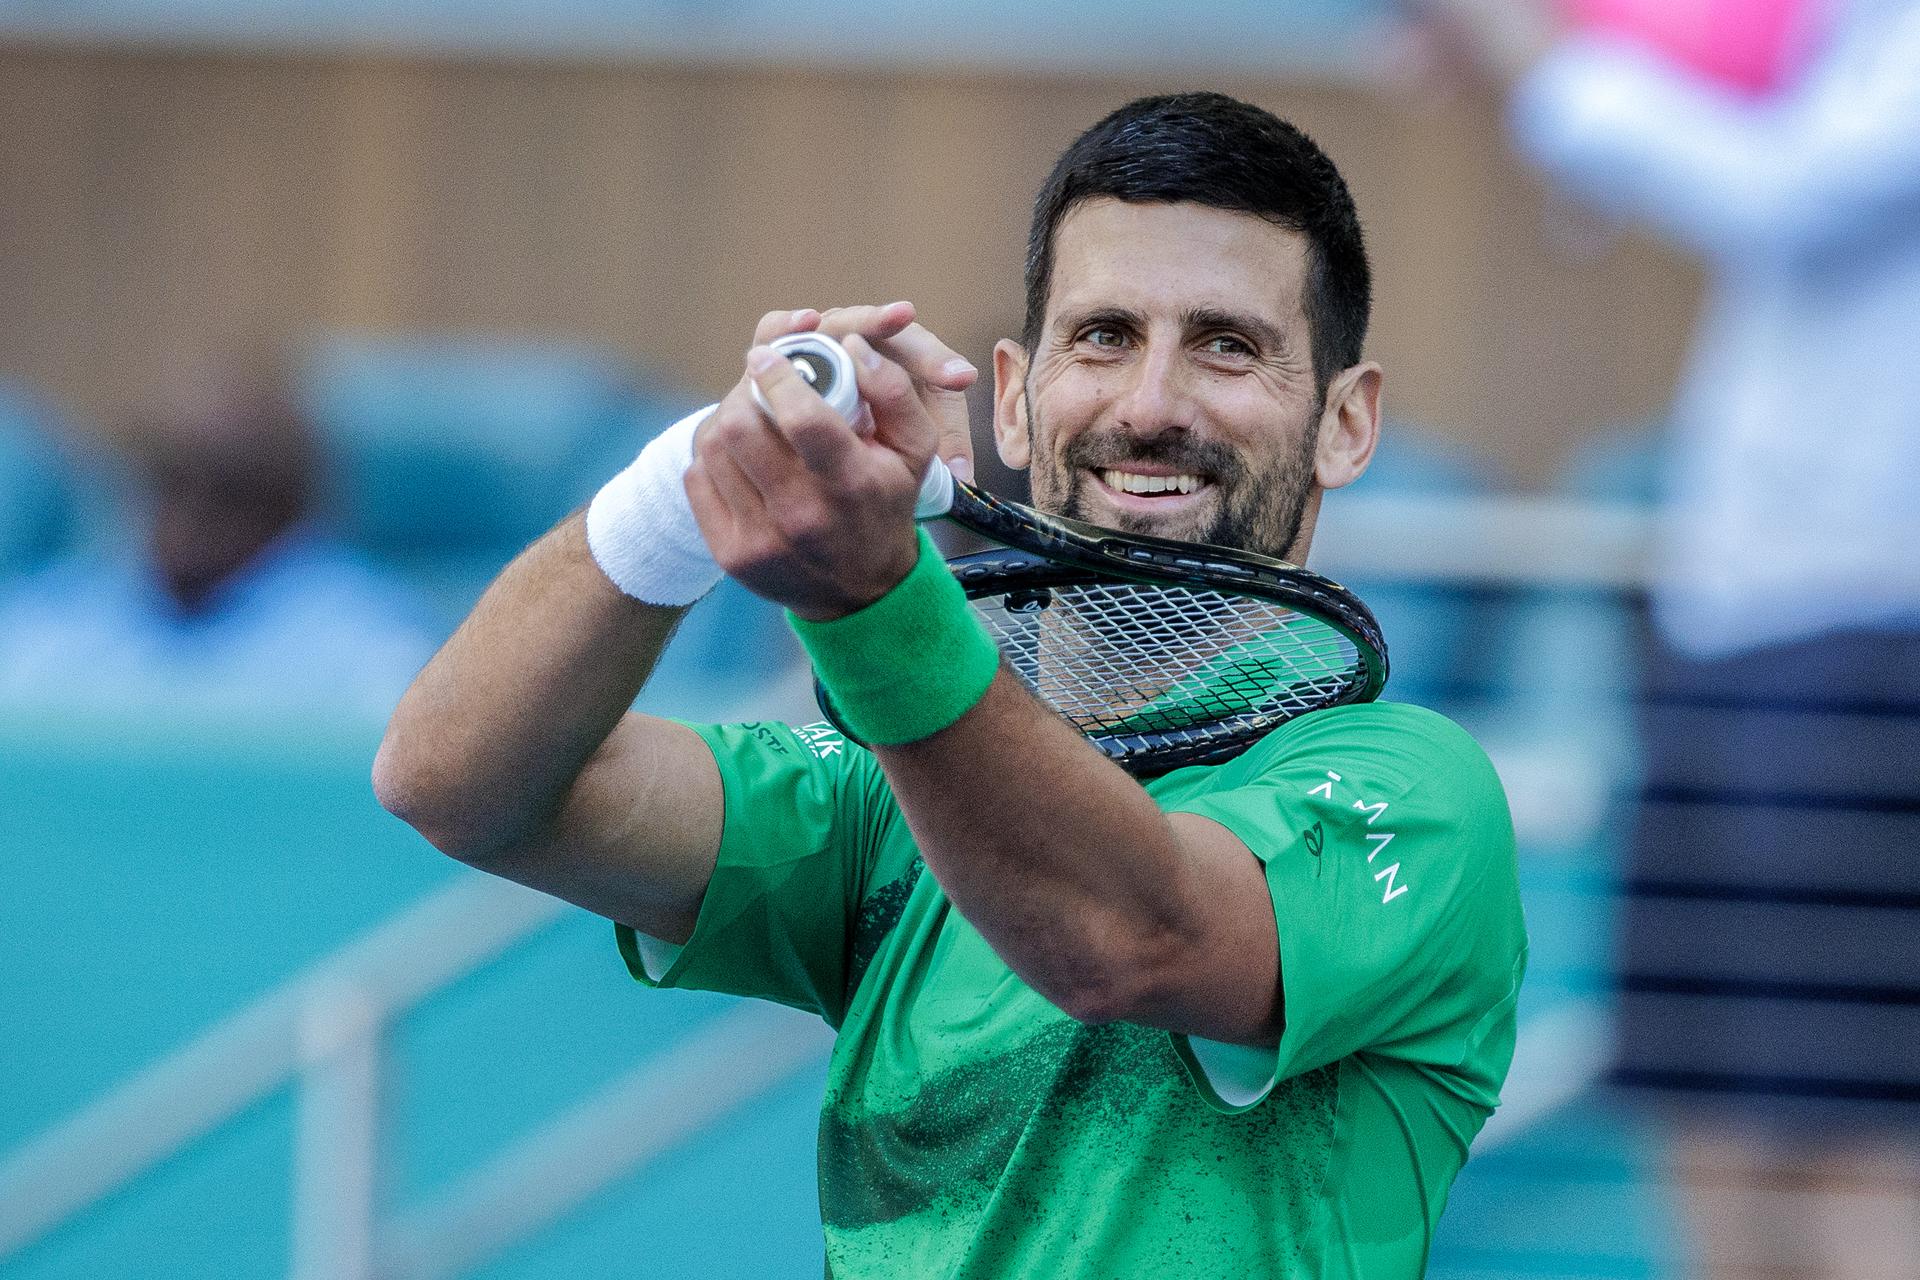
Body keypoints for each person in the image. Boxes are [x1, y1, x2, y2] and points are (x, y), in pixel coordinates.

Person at [376, 92, 1527, 1277]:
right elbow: (453, 779)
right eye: (1104, 336)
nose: (1149, 404)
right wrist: (699, 472)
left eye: (1227, 345)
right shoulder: (887, 801)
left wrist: (871, 599)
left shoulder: (1421, 791)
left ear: (1346, 422)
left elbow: (1129, 936)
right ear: (1016, 397)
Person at [1409, 3, 1920, 1275]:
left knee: (1861, 1123)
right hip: (1732, 618)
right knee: (1705, 1089)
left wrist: (1530, 56)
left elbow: (1775, 191)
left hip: (1874, 637)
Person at [0, 356, 439, 720]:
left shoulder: (368, 642)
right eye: (170, 482)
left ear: (291, 508)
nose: (188, 519)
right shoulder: (54, 620)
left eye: (229, 493)